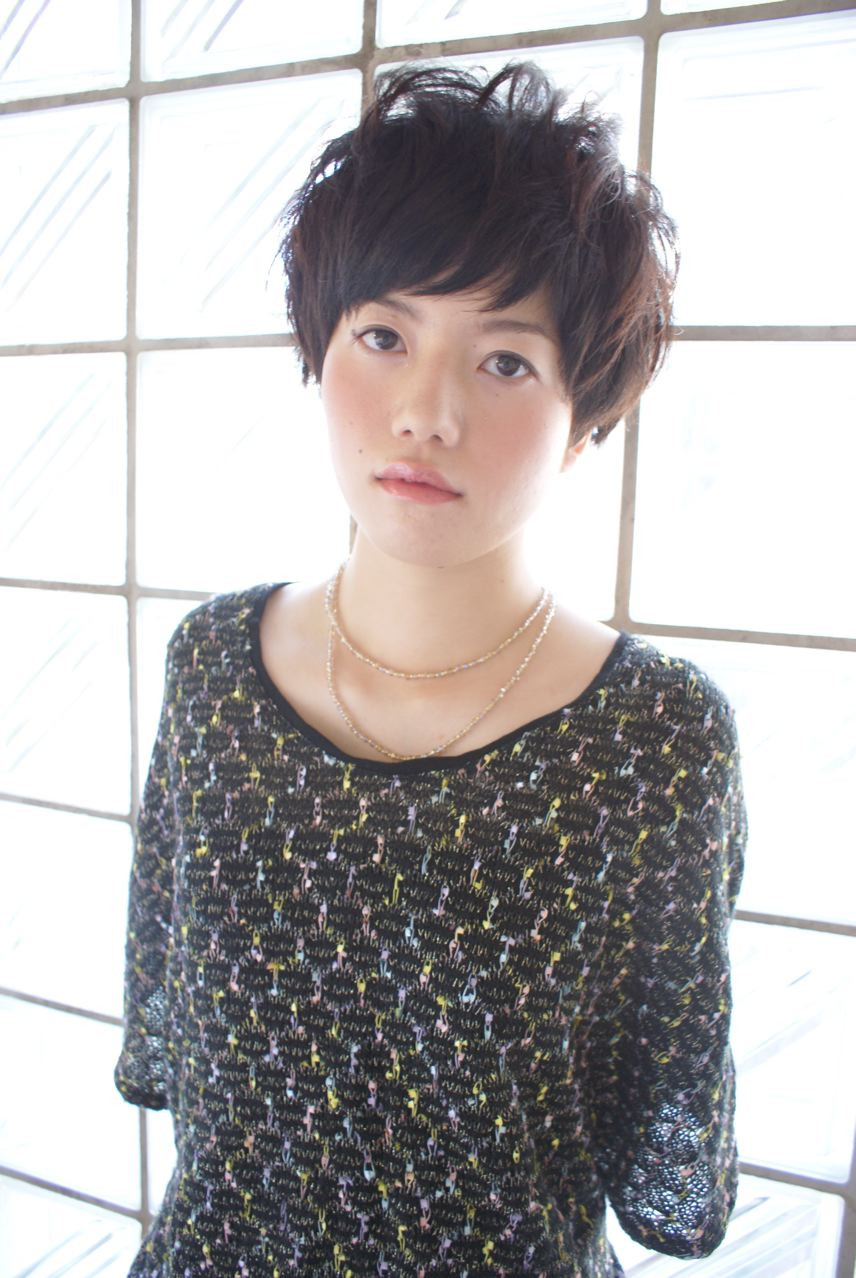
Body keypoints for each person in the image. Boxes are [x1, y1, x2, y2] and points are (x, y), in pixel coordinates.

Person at [114, 61, 747, 1278]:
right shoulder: (212, 673)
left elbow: (659, 1126)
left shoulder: (652, 739)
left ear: (586, 414)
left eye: (504, 361)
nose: (424, 411)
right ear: (318, 346)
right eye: (383, 335)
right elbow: (173, 1043)